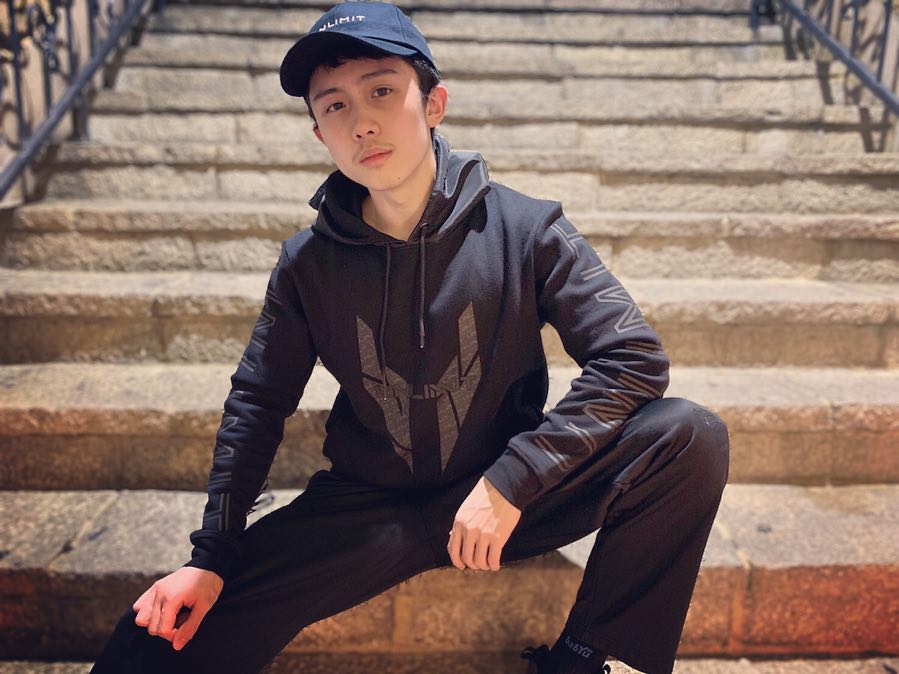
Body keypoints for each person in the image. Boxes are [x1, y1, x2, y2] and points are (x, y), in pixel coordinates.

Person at [89, 3, 730, 673]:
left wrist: (513, 480)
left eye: (382, 91)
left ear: (433, 104)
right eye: (335, 106)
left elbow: (630, 358)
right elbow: (257, 403)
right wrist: (211, 555)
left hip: (502, 492)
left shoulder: (527, 230)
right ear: (320, 134)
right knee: (155, 634)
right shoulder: (308, 263)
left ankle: (577, 660)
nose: (361, 122)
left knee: (687, 435)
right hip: (366, 507)